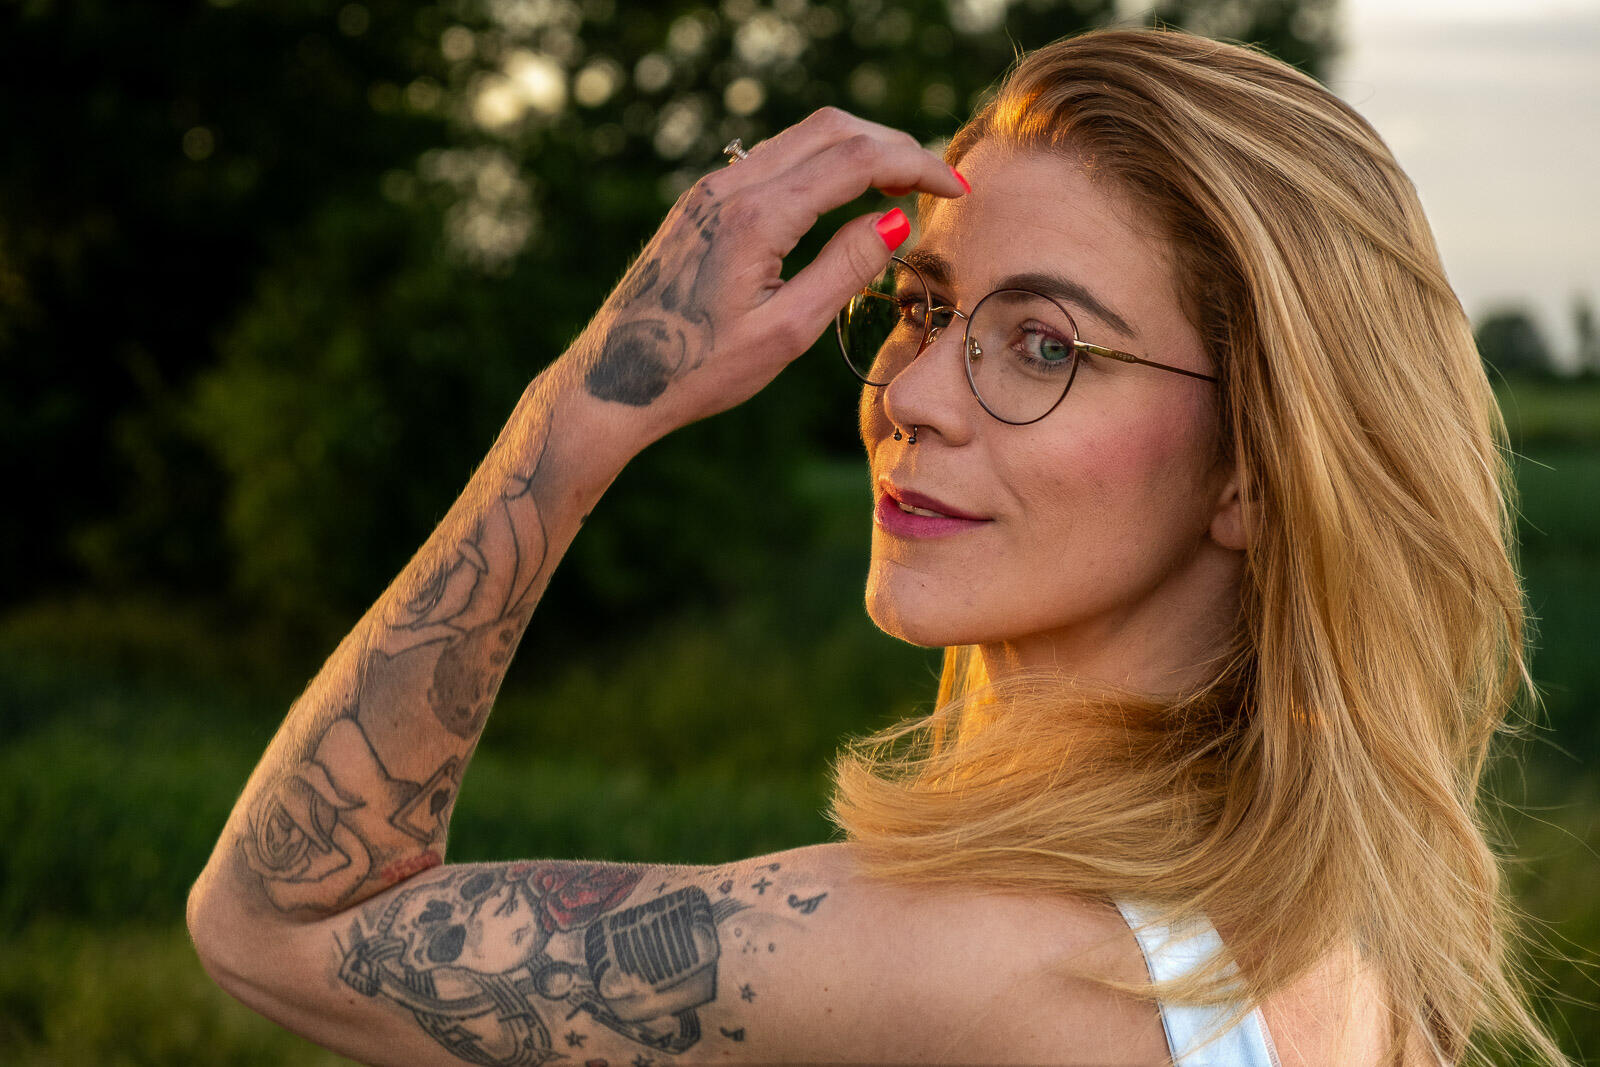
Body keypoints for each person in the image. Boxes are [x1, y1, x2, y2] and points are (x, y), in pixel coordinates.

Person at [187, 27, 1566, 1067]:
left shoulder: (970, 966)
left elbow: (275, 927)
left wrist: (587, 411)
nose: (910, 395)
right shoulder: (1352, 956)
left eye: (1045, 346)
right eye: (922, 306)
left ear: (1254, 476)